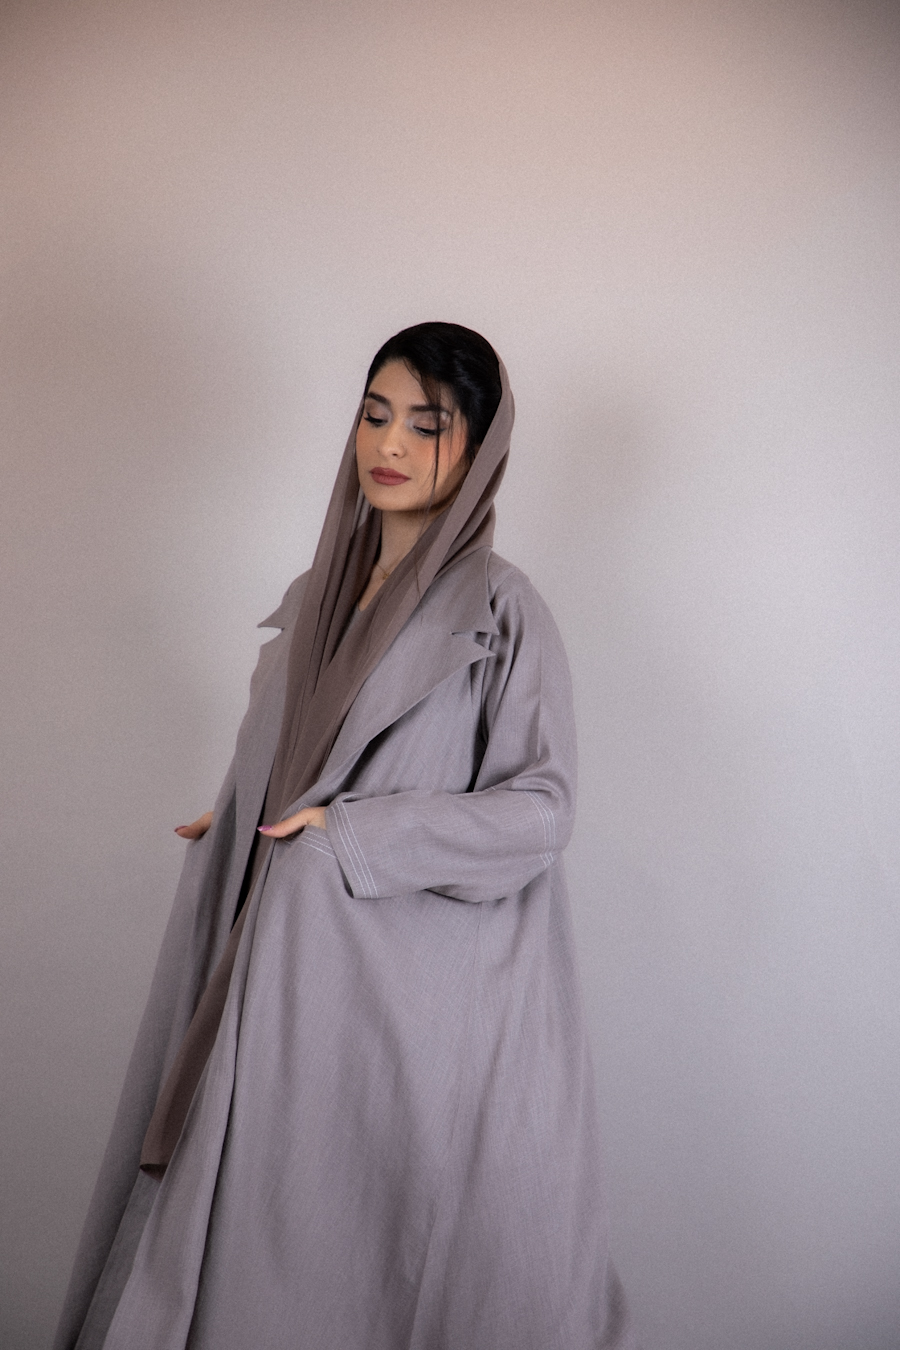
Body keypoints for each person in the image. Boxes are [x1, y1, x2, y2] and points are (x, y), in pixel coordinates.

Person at [54, 322, 635, 1350]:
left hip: (410, 1015)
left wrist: (355, 838)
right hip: (282, 971)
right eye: (375, 414)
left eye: (427, 424)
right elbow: (301, 758)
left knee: (368, 1257)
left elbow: (541, 811)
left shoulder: (504, 612)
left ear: (479, 449)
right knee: (247, 1243)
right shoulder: (314, 598)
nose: (391, 444)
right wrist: (242, 813)